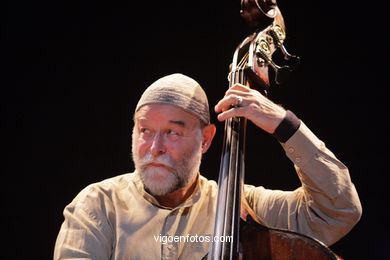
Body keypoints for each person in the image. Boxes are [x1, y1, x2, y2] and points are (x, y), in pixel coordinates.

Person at [54, 73, 362, 259]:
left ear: (206, 139)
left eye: (173, 132)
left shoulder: (244, 210)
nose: (155, 147)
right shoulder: (98, 206)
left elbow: (337, 211)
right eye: (145, 130)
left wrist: (286, 125)